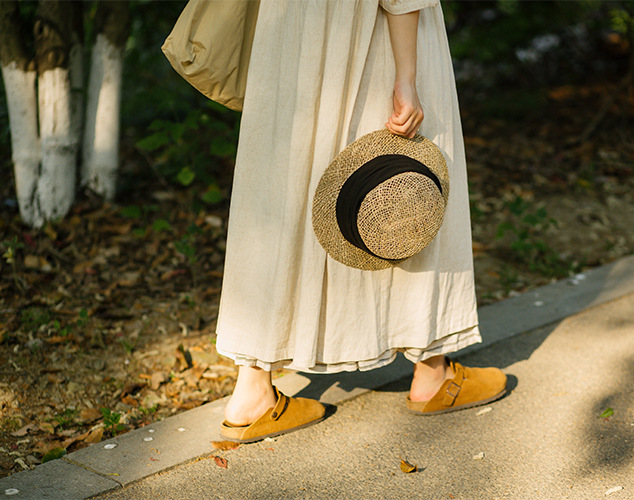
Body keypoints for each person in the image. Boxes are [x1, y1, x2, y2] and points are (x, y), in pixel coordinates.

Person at [215, 0, 506, 443]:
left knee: (281, 192)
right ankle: (433, 371)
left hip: (290, 34)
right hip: (370, 34)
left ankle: (252, 390)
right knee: (399, 181)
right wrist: (406, 76)